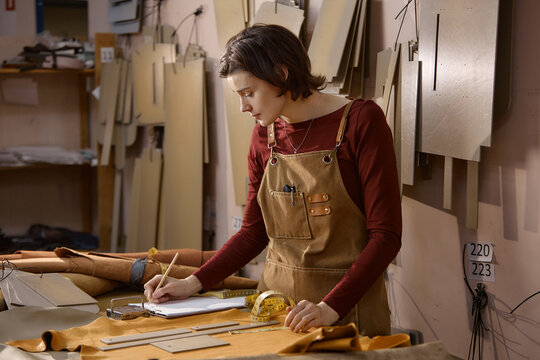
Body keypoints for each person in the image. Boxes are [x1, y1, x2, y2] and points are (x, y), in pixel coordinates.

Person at [144, 24, 402, 336]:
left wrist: (329, 308)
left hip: (347, 312)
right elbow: (254, 233)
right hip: (275, 311)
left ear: (281, 74)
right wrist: (191, 283)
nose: (243, 107)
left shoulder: (361, 122)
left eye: (248, 93)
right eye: (238, 96)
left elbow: (386, 236)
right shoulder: (263, 137)